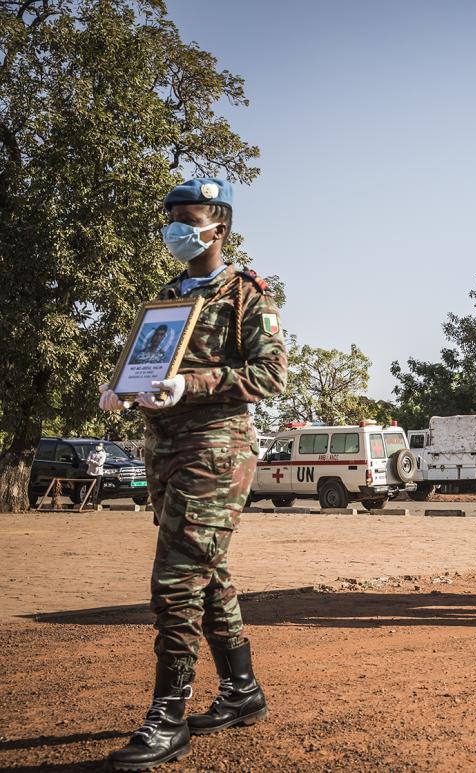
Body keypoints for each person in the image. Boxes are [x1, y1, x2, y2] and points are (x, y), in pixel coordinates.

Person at [98, 178, 288, 771]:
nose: (176, 228)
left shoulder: (246, 294)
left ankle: (168, 716)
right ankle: (242, 690)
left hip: (215, 450)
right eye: (171, 218)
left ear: (218, 227)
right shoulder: (166, 299)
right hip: (163, 447)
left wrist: (193, 383)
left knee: (177, 579)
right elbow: (148, 365)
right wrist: (122, 388)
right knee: (207, 573)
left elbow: (272, 376)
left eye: (188, 217)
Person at [86, 442, 108, 506]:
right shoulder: (91, 452)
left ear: (102, 447)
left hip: (98, 473)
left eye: (99, 446)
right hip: (90, 472)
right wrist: (93, 462)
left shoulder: (103, 454)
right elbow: (87, 461)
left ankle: (94, 501)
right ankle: (87, 500)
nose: (98, 447)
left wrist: (92, 461)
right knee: (88, 487)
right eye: (97, 445)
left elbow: (99, 464)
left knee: (96, 488)